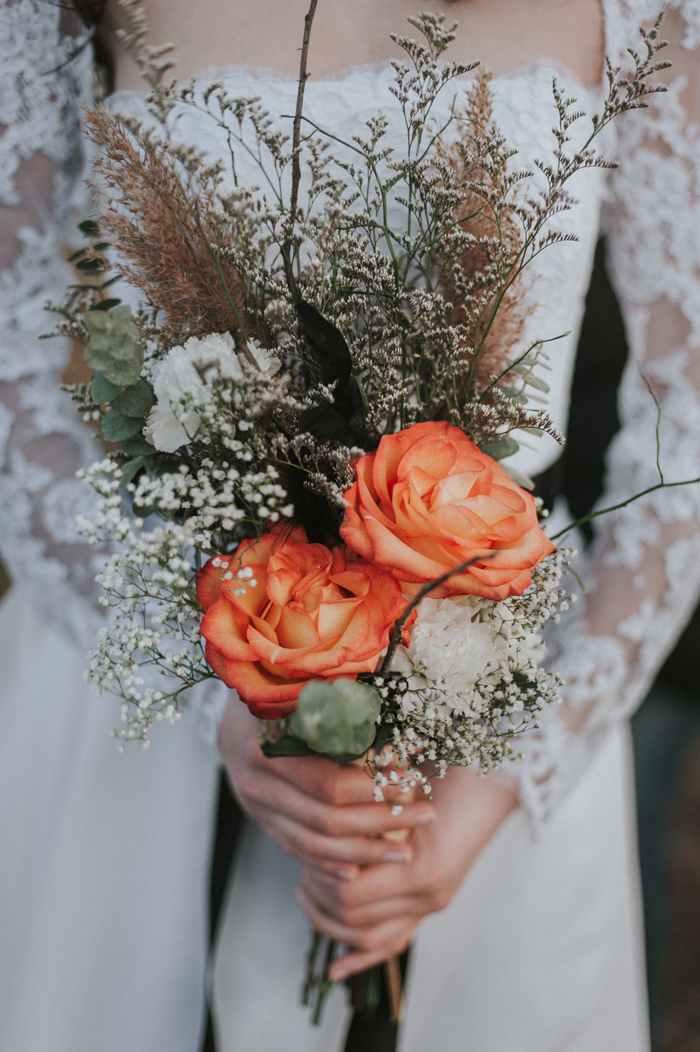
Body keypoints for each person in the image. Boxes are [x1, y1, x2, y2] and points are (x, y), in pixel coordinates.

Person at [1, 1, 700, 1050]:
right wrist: (220, 703)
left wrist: (495, 782)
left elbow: (686, 434)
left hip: (491, 723)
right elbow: (17, 379)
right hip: (146, 694)